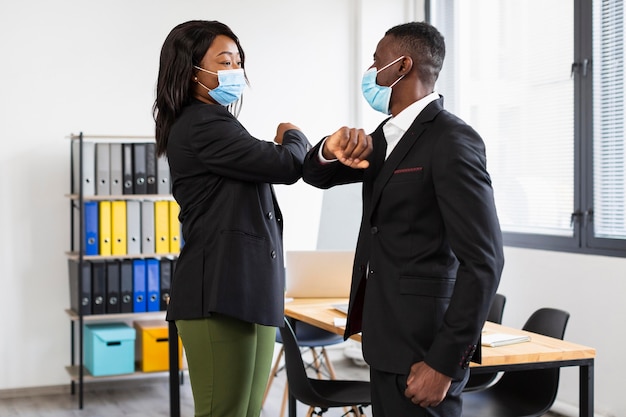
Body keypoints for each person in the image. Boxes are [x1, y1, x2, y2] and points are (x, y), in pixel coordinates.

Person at [302, 22, 504, 417]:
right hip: (385, 340)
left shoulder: (451, 140)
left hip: (424, 350)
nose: (370, 71)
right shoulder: (387, 136)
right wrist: (330, 148)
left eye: (376, 61)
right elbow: (317, 175)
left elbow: (484, 262)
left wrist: (445, 363)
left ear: (401, 66)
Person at [153, 20, 311, 417]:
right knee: (223, 412)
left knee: (246, 412)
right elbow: (286, 164)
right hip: (217, 294)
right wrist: (292, 133)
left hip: (248, 291)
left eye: (239, 61)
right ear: (191, 70)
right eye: (225, 61)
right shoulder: (201, 124)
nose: (236, 70)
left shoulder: (220, 124)